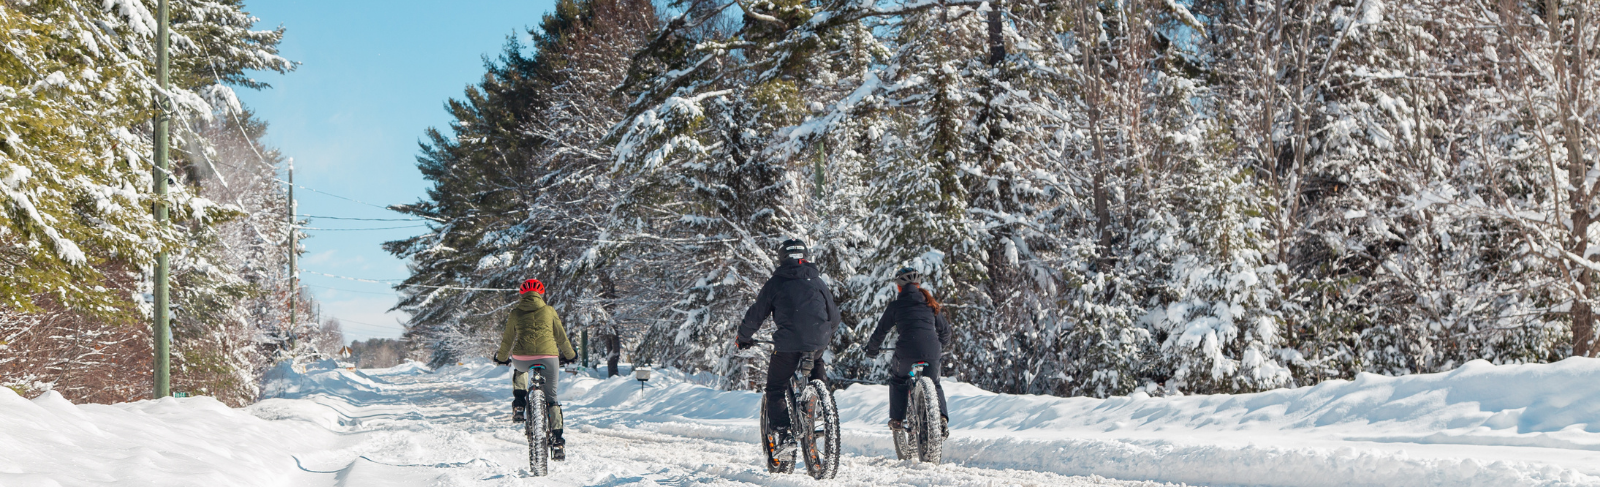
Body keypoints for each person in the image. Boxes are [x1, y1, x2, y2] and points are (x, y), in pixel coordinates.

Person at [736, 238, 842, 454]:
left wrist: (743, 337)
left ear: (782, 257)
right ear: (805, 256)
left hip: (788, 344)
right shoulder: (817, 281)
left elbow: (756, 314)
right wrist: (823, 336)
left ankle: (783, 434)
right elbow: (835, 317)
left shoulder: (777, 282)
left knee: (775, 387)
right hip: (818, 340)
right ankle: (820, 404)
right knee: (816, 359)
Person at [494, 278, 578, 456]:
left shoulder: (515, 313)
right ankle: (558, 441)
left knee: (520, 370)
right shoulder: (549, 310)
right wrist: (570, 355)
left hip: (522, 357)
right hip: (548, 357)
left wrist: (501, 358)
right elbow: (561, 337)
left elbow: (507, 339)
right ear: (541, 294)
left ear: (522, 294)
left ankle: (519, 404)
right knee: (552, 398)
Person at [864, 267, 951, 437]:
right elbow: (945, 331)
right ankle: (941, 418)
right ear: (918, 285)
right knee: (934, 383)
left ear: (899, 287)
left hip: (906, 351)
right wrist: (940, 346)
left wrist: (872, 350)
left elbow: (881, 331)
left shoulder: (896, 306)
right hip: (932, 350)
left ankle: (897, 419)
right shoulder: (930, 303)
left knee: (899, 379)